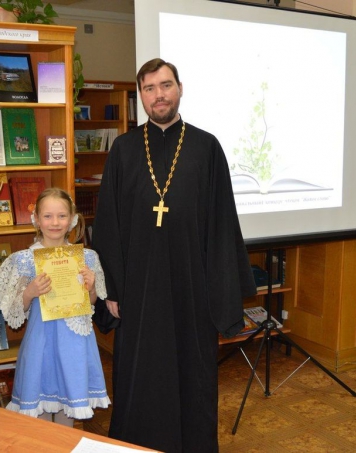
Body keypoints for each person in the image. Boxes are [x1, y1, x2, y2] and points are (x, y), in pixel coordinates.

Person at [92, 58, 257, 452]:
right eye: (149, 88)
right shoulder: (124, 149)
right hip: (139, 290)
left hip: (192, 287)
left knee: (192, 373)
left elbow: (221, 223)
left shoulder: (206, 147)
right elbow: (109, 224)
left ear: (180, 88)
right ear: (141, 97)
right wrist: (110, 289)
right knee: (140, 374)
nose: (158, 95)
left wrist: (219, 290)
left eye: (165, 85)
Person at [0, 188, 110, 427]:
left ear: (72, 219)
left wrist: (91, 287)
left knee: (69, 411)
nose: (55, 223)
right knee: (39, 413)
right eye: (48, 216)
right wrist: (29, 292)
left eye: (62, 216)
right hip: (41, 343)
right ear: (37, 219)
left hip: (75, 344)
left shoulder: (88, 257)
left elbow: (91, 304)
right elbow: (14, 313)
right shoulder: (23, 260)